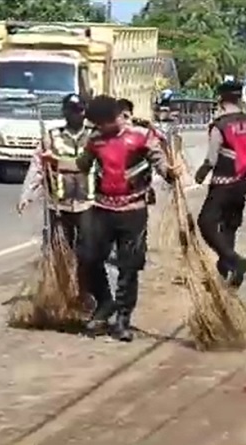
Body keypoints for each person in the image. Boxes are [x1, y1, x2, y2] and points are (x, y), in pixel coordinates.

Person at [43, 95, 178, 342]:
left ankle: (123, 320)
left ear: (116, 117)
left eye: (106, 123)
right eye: (98, 125)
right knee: (88, 257)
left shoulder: (141, 136)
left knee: (129, 267)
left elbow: (160, 162)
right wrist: (57, 162)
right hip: (102, 209)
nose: (103, 129)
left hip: (133, 211)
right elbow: (81, 165)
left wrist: (170, 172)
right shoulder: (95, 141)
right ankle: (105, 303)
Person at [18, 93, 112, 309]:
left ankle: (84, 293)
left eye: (79, 110)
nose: (76, 115)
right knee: (59, 252)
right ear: (64, 112)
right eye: (71, 111)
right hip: (58, 204)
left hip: (89, 204)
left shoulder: (95, 136)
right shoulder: (52, 136)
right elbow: (37, 167)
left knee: (87, 253)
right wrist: (27, 194)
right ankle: (62, 294)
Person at [194, 79, 246, 288]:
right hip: (244, 181)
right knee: (230, 226)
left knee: (206, 222)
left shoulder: (219, 125)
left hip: (223, 182)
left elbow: (211, 158)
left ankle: (235, 261)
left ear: (220, 99)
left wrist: (200, 174)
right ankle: (229, 271)